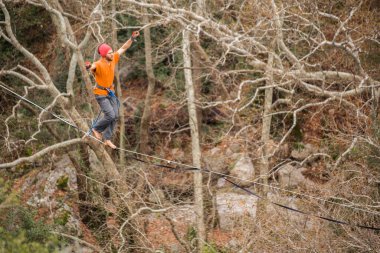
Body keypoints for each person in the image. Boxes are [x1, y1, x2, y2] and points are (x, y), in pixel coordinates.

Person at [87, 31, 140, 149]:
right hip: (100, 94)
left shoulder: (113, 58)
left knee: (115, 115)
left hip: (110, 93)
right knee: (110, 115)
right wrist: (89, 66)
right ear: (104, 55)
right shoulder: (98, 64)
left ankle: (107, 139)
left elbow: (123, 48)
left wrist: (131, 38)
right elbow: (92, 67)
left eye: (112, 52)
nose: (112, 54)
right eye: (110, 53)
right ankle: (96, 128)